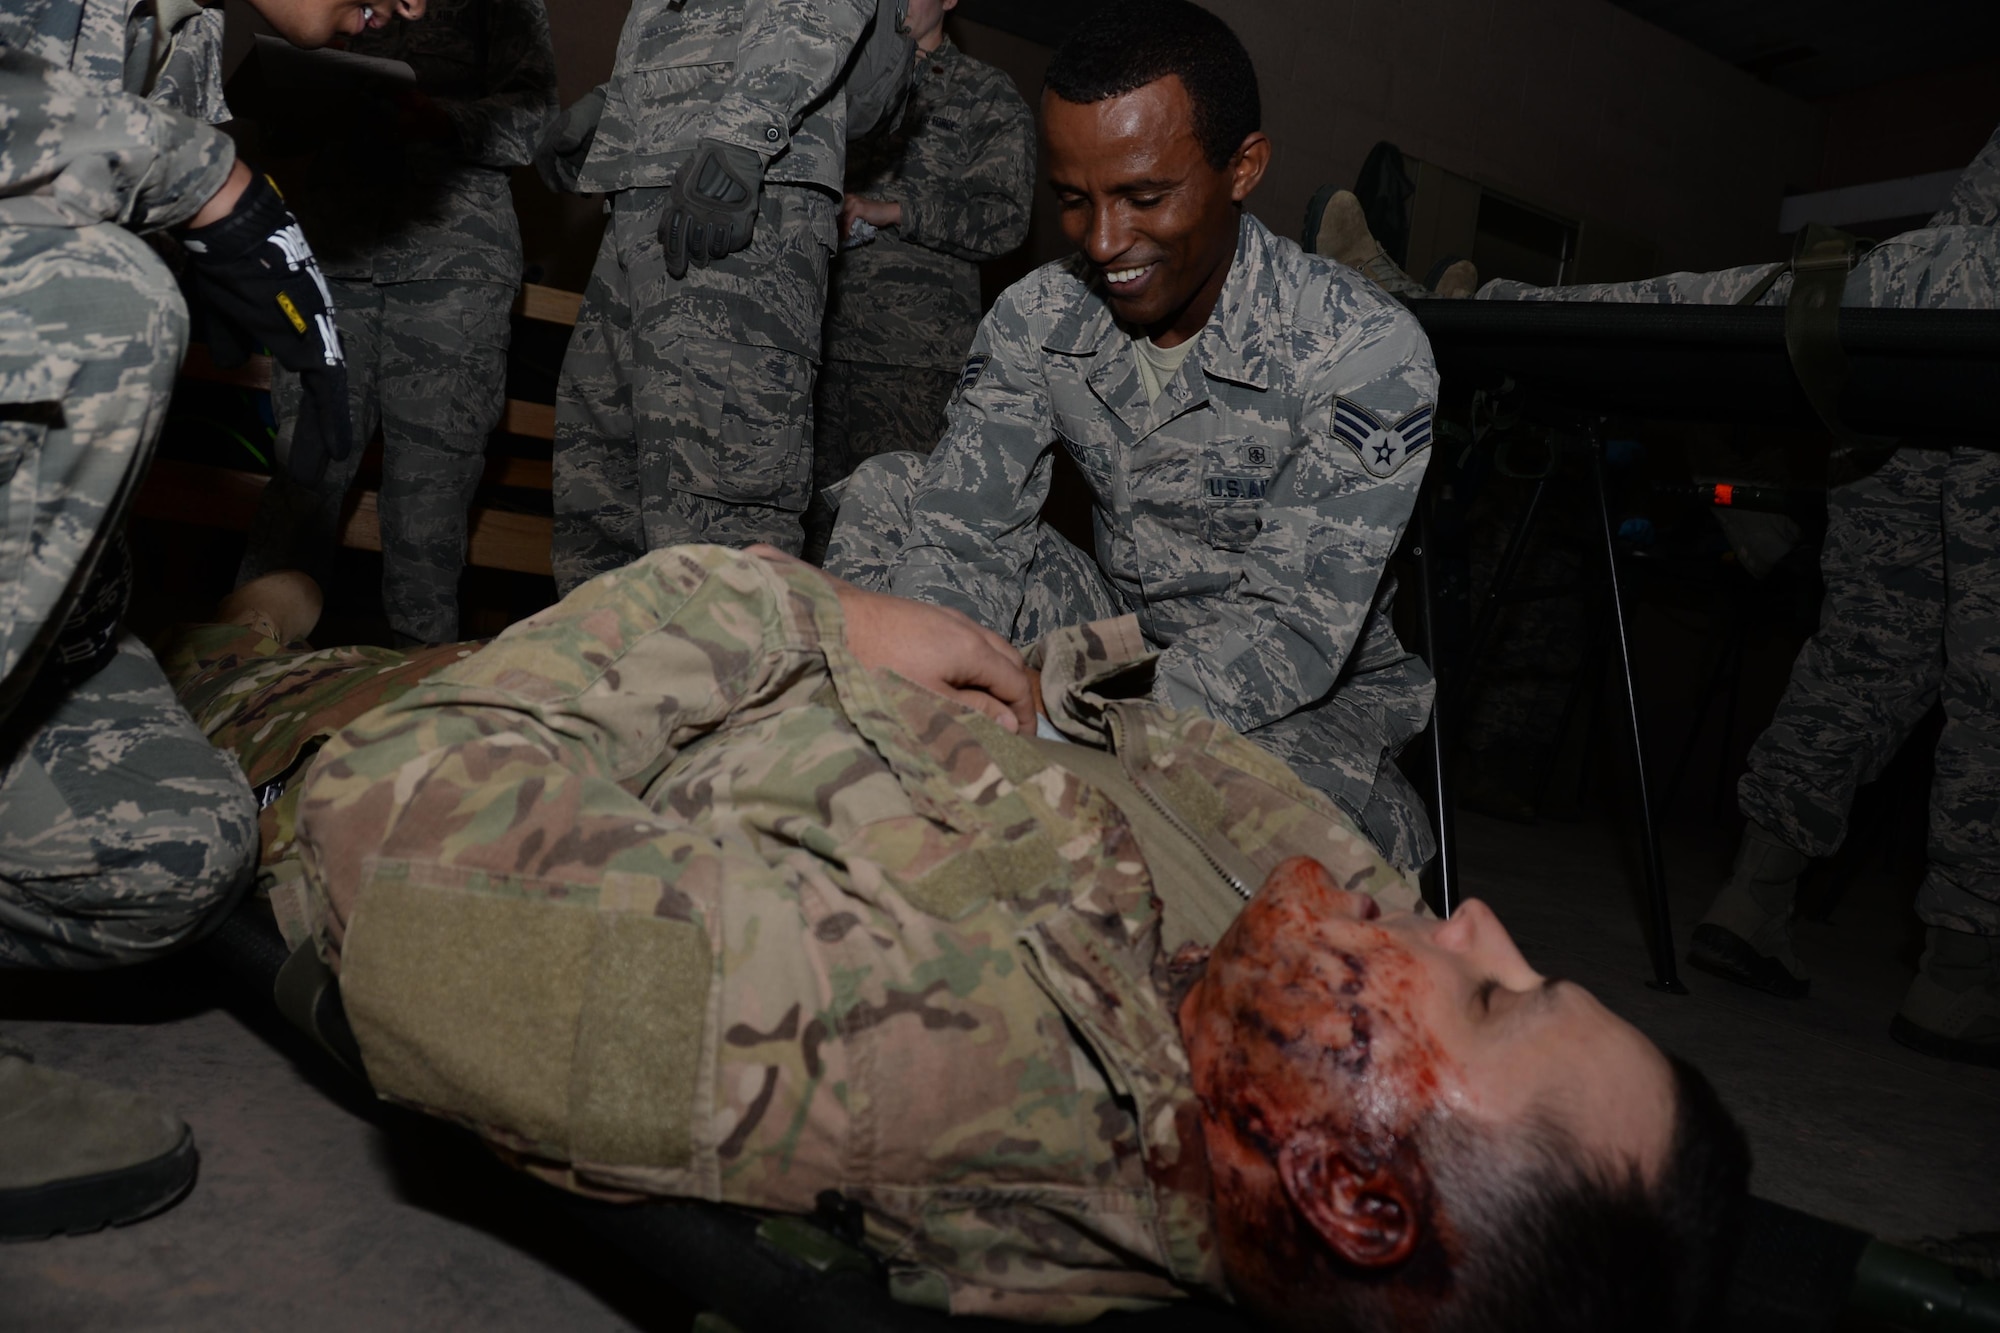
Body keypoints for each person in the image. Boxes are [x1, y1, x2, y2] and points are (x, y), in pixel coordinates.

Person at [158, 543, 1747, 1329]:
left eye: (1494, 992)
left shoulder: (884, 1058)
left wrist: (798, 607)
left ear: (1344, 1191)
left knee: (187, 696)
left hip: (409, 718)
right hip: (683, 684)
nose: (1476, 918)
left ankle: (221, 640)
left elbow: (402, 827)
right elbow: (1198, 785)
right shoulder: (1282, 1017)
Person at [825, 0, 1442, 872]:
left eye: (1144, 197)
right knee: (892, 488)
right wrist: (941, 696)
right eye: (1073, 201)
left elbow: (1293, 635)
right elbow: (965, 536)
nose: (1106, 240)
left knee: (1258, 850)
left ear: (1243, 168)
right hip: (1124, 639)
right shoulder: (1039, 318)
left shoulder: (1364, 350)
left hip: (1303, 702)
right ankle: (873, 786)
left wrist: (1064, 716)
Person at [0, 0, 424, 1239]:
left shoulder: (184, 28)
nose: (411, 10)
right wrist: (208, 185)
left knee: (172, 855)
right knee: (102, 304)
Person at [1472, 124, 2000, 1067]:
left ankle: (1753, 901)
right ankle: (1962, 978)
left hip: (1912, 369)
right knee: (1978, 680)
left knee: (1866, 657)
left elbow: (1969, 217)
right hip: (1954, 340)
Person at [543, 0, 913, 589]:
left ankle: (720, 682)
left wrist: (745, 130)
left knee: (716, 534)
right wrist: (613, 106)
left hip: (743, 190)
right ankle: (612, 677)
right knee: (602, 497)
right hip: (650, 186)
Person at [237, 0, 558, 647]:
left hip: (452, 268)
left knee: (426, 519)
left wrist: (438, 121)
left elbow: (535, 120)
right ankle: (239, 686)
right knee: (299, 487)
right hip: (338, 253)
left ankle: (418, 715)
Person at [804, 0, 1035, 559]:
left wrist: (897, 210)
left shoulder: (986, 92)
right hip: (817, 343)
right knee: (804, 534)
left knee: (892, 535)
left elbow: (1006, 218)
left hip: (912, 364)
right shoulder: (836, 75)